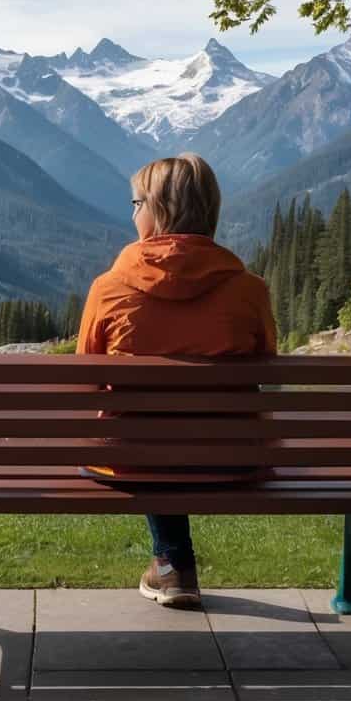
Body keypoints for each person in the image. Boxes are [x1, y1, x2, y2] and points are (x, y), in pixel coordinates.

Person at [76, 152, 277, 608]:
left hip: (133, 458)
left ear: (158, 211)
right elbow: (268, 366)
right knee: (172, 432)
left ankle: (172, 561)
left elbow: (85, 380)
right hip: (233, 456)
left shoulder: (108, 289)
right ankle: (171, 562)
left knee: (145, 436)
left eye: (136, 203)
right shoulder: (250, 290)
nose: (132, 214)